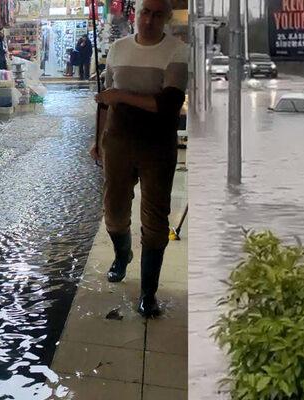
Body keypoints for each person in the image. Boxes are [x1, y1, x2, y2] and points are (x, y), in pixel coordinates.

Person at [91, 0, 188, 317]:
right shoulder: (118, 49)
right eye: (145, 12)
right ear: (136, 14)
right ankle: (122, 255)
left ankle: (149, 292)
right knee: (114, 210)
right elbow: (104, 102)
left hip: (157, 145)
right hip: (117, 142)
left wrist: (120, 96)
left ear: (166, 18)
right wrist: (97, 141)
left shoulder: (177, 51)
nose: (149, 19)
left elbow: (169, 103)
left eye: (157, 14)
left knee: (155, 219)